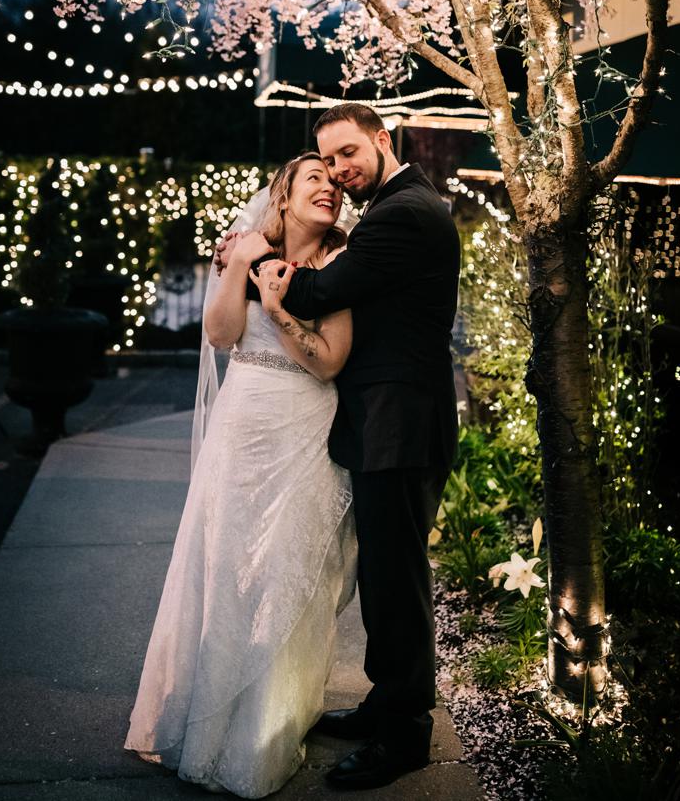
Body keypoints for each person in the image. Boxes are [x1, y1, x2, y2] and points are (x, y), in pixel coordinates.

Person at [126, 152, 357, 798]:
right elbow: (222, 332)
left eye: (335, 184)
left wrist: (280, 305)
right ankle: (205, 724)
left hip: (307, 428)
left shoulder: (343, 262)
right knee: (224, 566)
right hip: (242, 422)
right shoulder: (245, 247)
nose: (329, 190)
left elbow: (329, 362)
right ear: (282, 196)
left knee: (286, 573)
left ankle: (263, 733)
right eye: (314, 178)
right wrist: (238, 265)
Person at [253, 103, 460, 791]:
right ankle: (385, 703)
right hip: (389, 423)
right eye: (330, 160)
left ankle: (404, 734)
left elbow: (318, 288)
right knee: (383, 576)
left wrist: (262, 258)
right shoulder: (397, 207)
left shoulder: (404, 213)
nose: (340, 170)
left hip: (401, 423)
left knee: (397, 583)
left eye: (348, 153)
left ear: (381, 139)